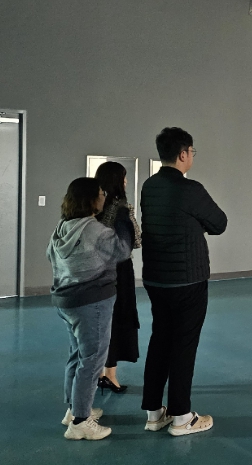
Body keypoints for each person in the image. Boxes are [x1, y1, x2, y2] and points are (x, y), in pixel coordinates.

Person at [140, 127, 227, 436]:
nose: (192, 157)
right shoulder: (191, 189)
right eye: (191, 152)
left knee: (160, 341)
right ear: (182, 154)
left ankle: (154, 413)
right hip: (188, 281)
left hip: (156, 279)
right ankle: (181, 417)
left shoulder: (149, 186)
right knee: (183, 346)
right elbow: (219, 222)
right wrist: (196, 225)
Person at [47, 177, 132, 441]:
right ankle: (81, 422)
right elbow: (122, 251)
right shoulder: (94, 230)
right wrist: (123, 221)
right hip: (91, 302)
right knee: (93, 359)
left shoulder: (63, 226)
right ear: (91, 199)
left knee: (77, 354)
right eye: (101, 193)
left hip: (66, 300)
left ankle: (74, 410)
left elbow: (50, 255)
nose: (104, 196)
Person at [95, 161, 142, 393]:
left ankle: (98, 373)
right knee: (117, 320)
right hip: (119, 273)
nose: (126, 181)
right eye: (123, 177)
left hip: (96, 271)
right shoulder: (121, 209)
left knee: (100, 321)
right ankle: (110, 376)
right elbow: (128, 246)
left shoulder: (94, 208)